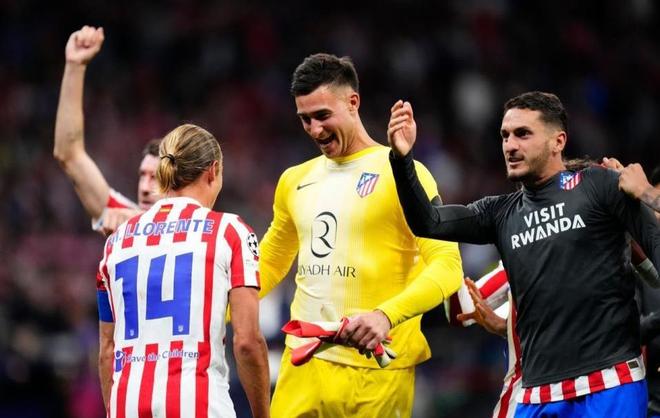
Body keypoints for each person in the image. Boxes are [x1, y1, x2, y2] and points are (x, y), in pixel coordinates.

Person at [388, 92, 660, 417]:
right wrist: (402, 159)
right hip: (535, 393)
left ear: (558, 141)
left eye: (522, 134)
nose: (510, 145)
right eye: (505, 135)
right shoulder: (500, 212)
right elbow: (429, 221)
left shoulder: (601, 185)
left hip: (610, 383)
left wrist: (647, 194)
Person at [258, 53, 463, 417]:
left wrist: (386, 315)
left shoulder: (404, 174)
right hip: (303, 364)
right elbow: (270, 263)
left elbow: (448, 266)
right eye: (305, 119)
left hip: (377, 370)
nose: (315, 130)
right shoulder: (294, 180)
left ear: (353, 102)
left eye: (323, 115)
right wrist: (218, 312)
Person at [96, 124, 270, 418]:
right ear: (213, 171)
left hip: (128, 405)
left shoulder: (116, 242)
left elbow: (107, 350)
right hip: (199, 404)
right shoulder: (230, 232)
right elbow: (247, 341)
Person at [54, 25, 160, 235]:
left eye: (156, 178)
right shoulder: (125, 220)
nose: (144, 188)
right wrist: (75, 66)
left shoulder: (209, 232)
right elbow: (69, 155)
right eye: (143, 176)